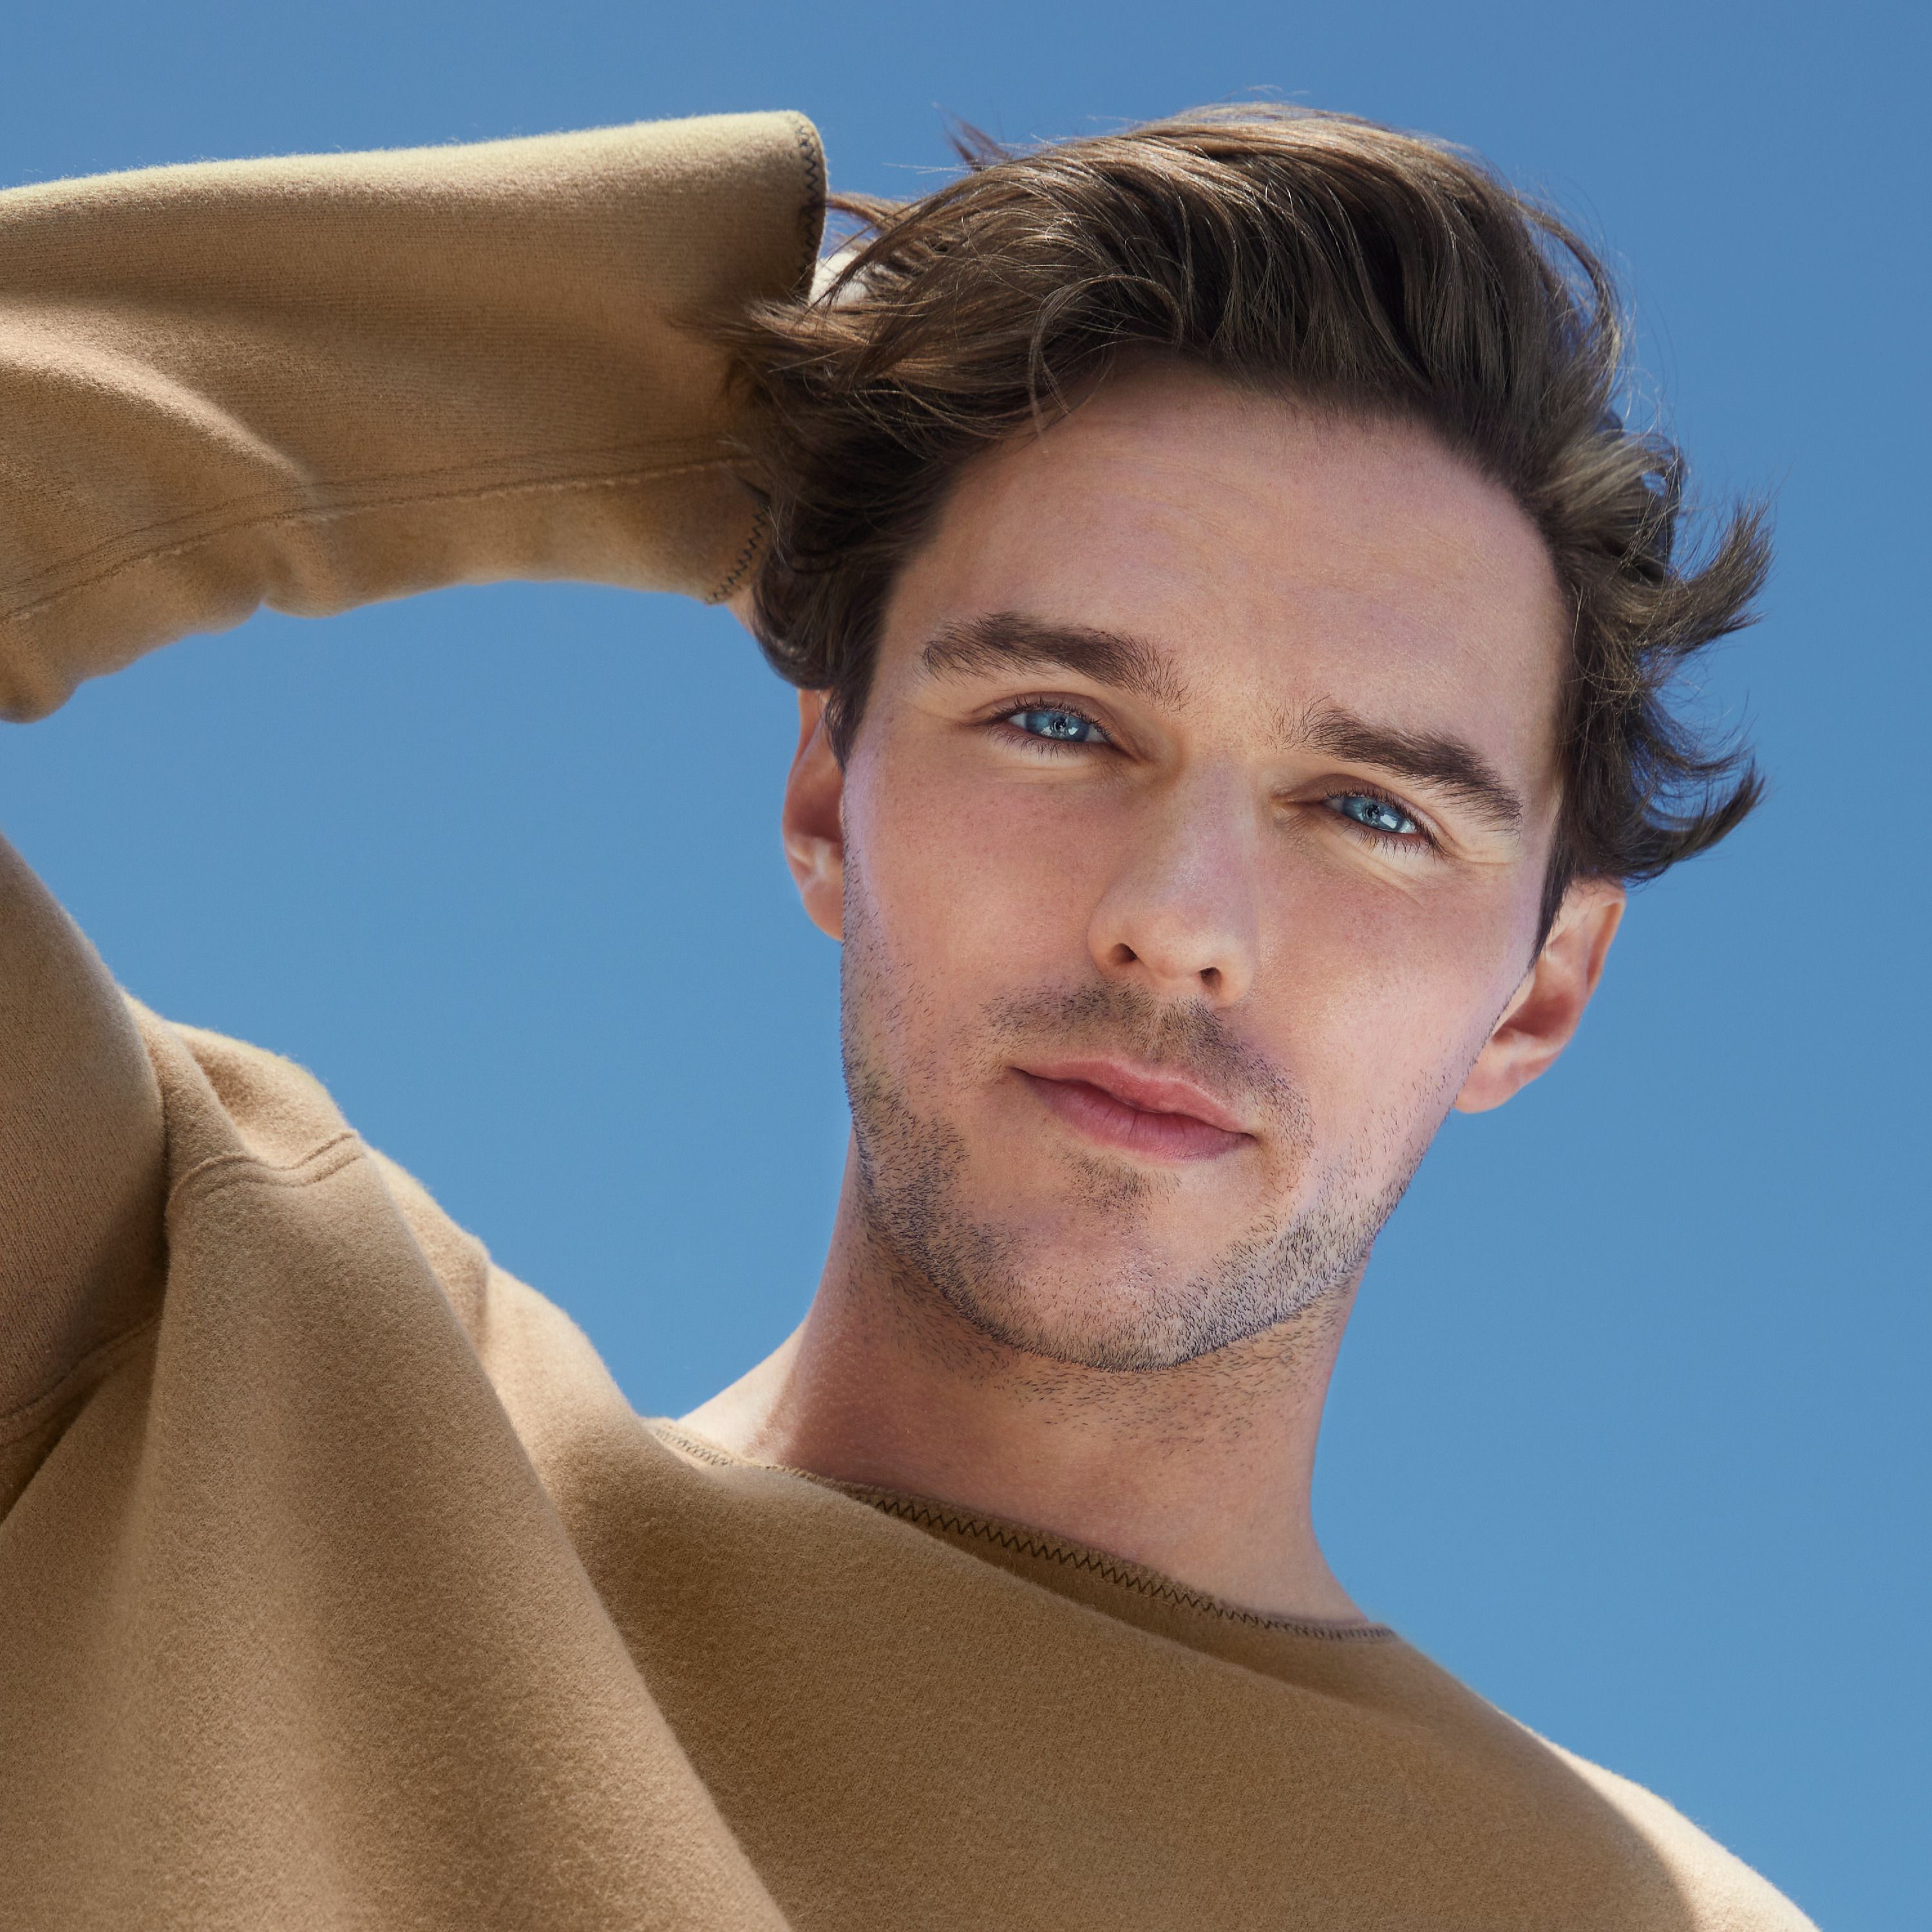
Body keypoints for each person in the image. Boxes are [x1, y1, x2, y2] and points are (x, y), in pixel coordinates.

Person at [0, 106, 1812, 1930]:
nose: (1178, 928)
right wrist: (770, 381)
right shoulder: (194, 1382)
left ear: (1543, 989)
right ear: (823, 796)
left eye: (1371, 814)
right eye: (1057, 719)